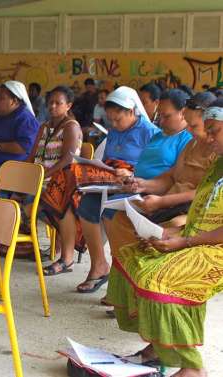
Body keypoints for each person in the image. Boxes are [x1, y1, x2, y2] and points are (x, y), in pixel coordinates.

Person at [105, 104, 223, 377]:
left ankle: (192, 368)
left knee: (159, 281)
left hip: (214, 248)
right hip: (199, 238)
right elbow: (203, 208)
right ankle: (160, 345)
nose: (208, 137)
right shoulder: (219, 163)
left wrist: (185, 241)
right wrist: (175, 234)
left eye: (214, 131)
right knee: (132, 255)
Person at [72, 88, 192, 293]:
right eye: (159, 115)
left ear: (183, 113)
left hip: (164, 196)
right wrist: (135, 180)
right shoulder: (160, 136)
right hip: (140, 186)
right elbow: (152, 171)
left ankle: (125, 283)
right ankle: (108, 272)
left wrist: (144, 187)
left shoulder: (185, 140)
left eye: (166, 116)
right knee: (87, 203)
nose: (161, 121)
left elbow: (174, 179)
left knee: (113, 213)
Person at [40, 86, 158, 277]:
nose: (114, 124)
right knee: (79, 202)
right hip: (111, 179)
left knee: (78, 184)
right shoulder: (114, 131)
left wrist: (129, 172)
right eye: (110, 120)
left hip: (134, 183)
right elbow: (107, 158)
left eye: (118, 119)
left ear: (131, 111)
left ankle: (100, 265)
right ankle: (97, 264)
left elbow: (154, 167)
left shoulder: (149, 132)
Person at [103, 91, 218, 278]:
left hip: (191, 211)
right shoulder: (192, 144)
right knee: (120, 220)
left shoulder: (216, 152)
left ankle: (150, 281)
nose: (188, 130)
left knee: (170, 228)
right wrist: (143, 185)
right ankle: (128, 280)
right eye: (187, 124)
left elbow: (204, 192)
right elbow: (171, 176)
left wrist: (161, 202)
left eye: (193, 125)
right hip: (170, 204)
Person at [28, 85, 82, 176]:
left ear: (68, 106)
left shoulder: (71, 127)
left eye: (58, 103)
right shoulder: (44, 127)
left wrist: (42, 177)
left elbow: (67, 161)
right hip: (37, 178)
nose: (53, 106)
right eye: (50, 102)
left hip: (59, 180)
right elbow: (32, 156)